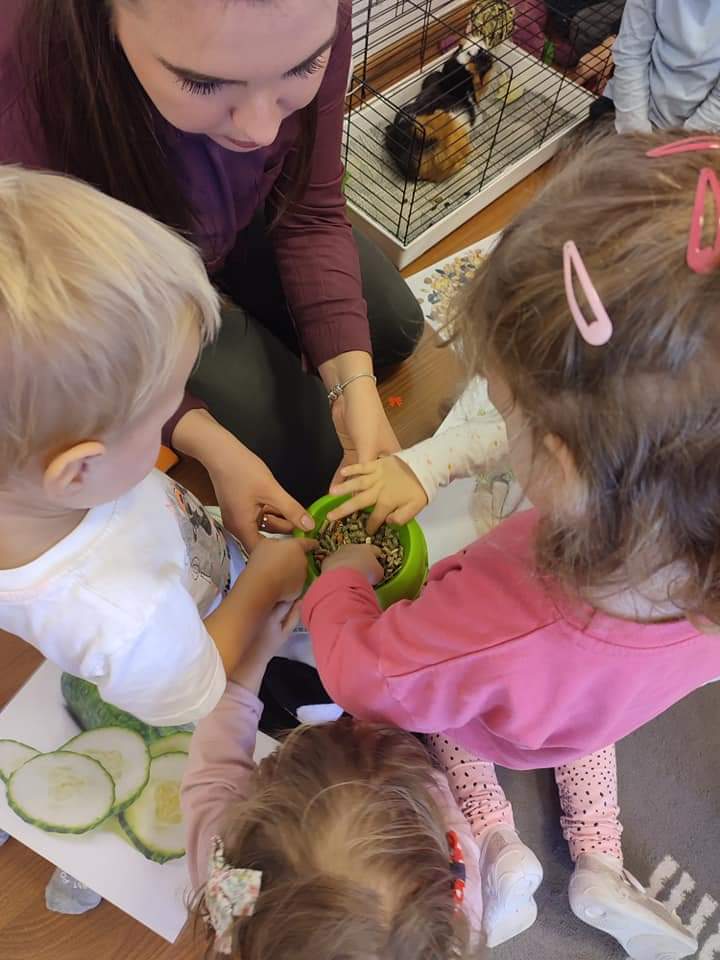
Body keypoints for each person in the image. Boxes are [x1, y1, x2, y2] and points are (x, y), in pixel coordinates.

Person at [302, 130, 720, 957]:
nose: (496, 412)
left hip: (505, 717)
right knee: (587, 738)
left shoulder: (495, 604)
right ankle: (599, 861)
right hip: (597, 710)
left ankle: (496, 842)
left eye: (504, 407)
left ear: (561, 464)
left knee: (447, 726)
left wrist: (339, 579)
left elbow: (368, 677)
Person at [0, 165, 313, 912]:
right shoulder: (125, 613)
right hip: (189, 656)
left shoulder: (36, 493)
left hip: (172, 595)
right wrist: (265, 583)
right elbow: (194, 686)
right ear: (78, 470)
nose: (177, 415)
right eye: (163, 409)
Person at [0, 0, 424, 550]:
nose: (263, 129)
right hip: (115, 295)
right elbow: (61, 348)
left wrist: (353, 387)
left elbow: (309, 207)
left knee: (392, 327)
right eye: (203, 83)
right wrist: (212, 445)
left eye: (302, 66)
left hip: (233, 221)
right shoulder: (25, 98)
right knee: (310, 452)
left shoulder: (302, 19)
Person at [181, 601, 484, 960]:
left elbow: (213, 775)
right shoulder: (456, 904)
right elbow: (450, 813)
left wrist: (252, 658)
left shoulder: (230, 887)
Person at [597, 0, 720, 133]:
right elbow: (631, 53)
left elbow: (716, 103)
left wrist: (683, 140)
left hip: (699, 126)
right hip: (629, 106)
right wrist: (636, 132)